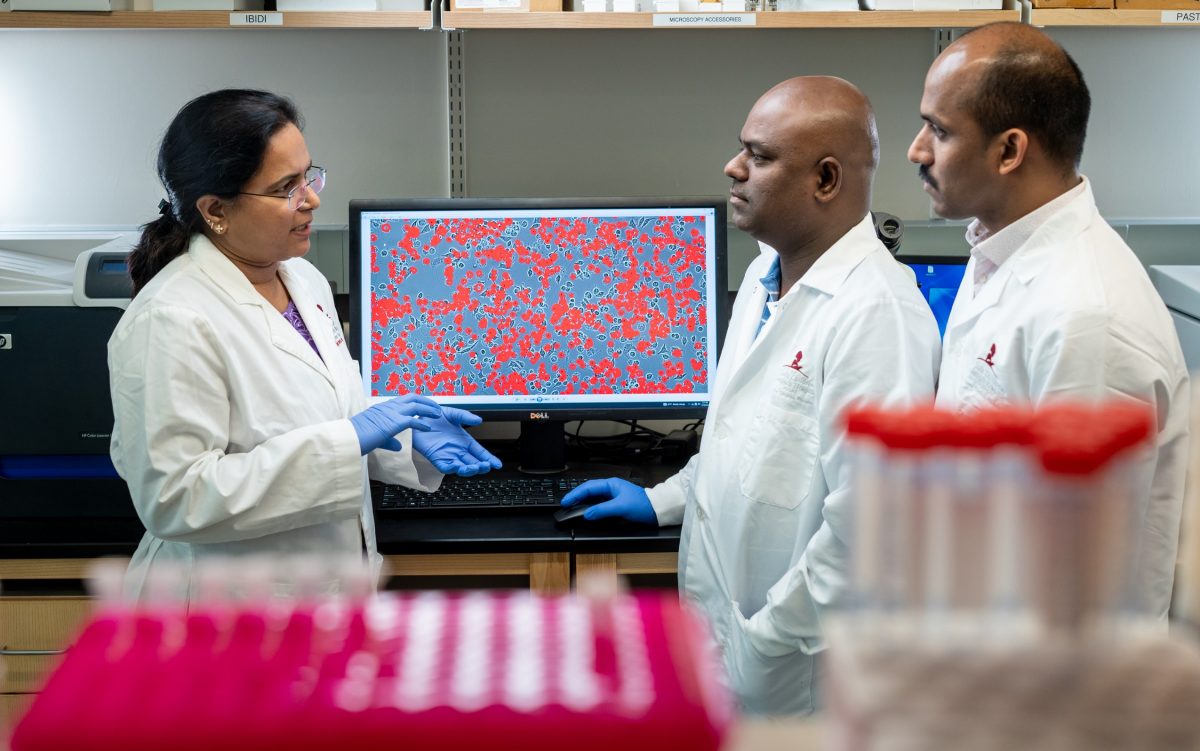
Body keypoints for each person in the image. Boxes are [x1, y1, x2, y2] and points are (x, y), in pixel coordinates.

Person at [561, 77, 942, 714]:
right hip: (729, 653)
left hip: (800, 677)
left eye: (760, 157)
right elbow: (748, 442)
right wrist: (664, 499)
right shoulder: (766, 275)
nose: (733, 168)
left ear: (826, 180)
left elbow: (874, 533)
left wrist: (762, 642)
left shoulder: (878, 316)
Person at [109, 89, 501, 598]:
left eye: (309, 175)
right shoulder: (171, 319)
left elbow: (321, 410)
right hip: (224, 614)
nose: (312, 198)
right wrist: (352, 438)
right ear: (215, 209)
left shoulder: (301, 279)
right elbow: (175, 498)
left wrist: (399, 437)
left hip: (320, 597)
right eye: (286, 187)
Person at [908, 22, 1189, 620]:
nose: (917, 150)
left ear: (1009, 151)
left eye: (939, 130)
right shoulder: (999, 255)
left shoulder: (1086, 316)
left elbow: (1075, 587)